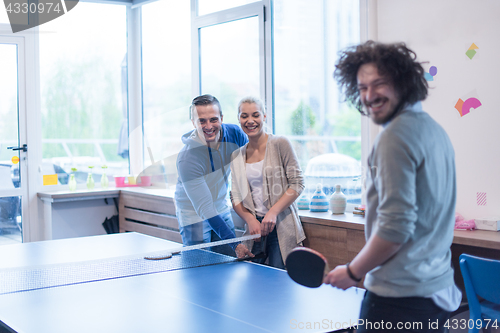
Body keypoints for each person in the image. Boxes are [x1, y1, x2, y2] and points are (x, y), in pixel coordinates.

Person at [323, 41, 461, 332]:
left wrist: (352, 271)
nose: (369, 95)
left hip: (398, 300)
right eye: (362, 87)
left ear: (403, 84)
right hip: (434, 295)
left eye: (379, 84)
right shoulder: (434, 130)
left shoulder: (394, 137)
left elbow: (395, 229)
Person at [230, 96, 306, 269]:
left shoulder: (280, 143)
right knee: (254, 284)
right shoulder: (236, 156)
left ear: (264, 116)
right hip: (254, 231)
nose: (250, 121)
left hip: (282, 228)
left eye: (255, 115)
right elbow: (234, 195)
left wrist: (272, 212)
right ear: (239, 119)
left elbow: (297, 183)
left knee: (280, 284)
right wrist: (250, 219)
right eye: (244, 116)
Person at [174, 94, 252, 258]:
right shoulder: (187, 158)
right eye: (202, 121)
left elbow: (253, 165)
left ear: (222, 118)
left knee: (229, 260)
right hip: (193, 214)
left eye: (213, 119)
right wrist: (236, 244)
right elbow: (205, 208)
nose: (208, 126)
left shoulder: (235, 134)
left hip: (220, 205)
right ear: (193, 122)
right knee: (199, 264)